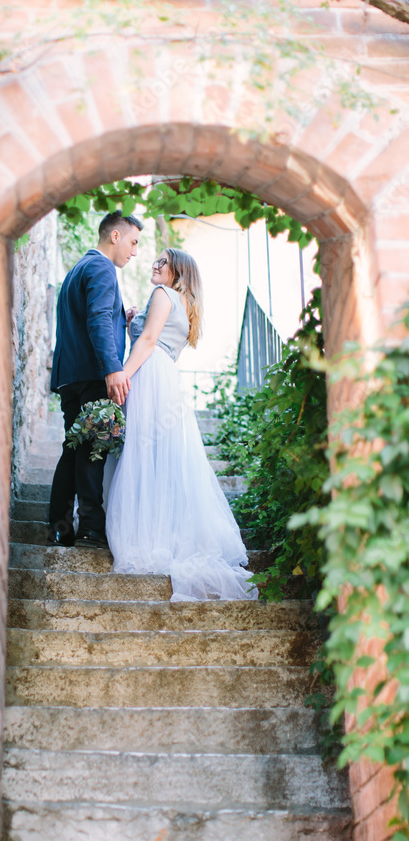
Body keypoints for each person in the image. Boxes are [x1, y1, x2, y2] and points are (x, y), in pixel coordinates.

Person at [105, 248, 257, 601]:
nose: (154, 265)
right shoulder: (183, 303)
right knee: (158, 454)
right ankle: (164, 531)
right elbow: (154, 336)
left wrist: (121, 378)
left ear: (179, 272)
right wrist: (134, 319)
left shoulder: (162, 294)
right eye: (155, 260)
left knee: (141, 451)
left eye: (163, 262)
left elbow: (147, 340)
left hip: (148, 374)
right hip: (165, 378)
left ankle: (145, 533)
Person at [48, 210, 143, 549]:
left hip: (71, 376)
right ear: (114, 236)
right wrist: (113, 368)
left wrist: (122, 318)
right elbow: (98, 319)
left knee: (73, 449)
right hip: (92, 376)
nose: (135, 251)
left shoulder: (78, 268)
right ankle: (90, 528)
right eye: (133, 242)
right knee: (92, 450)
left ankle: (59, 524)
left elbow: (95, 317)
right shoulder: (102, 268)